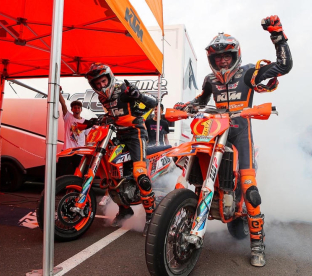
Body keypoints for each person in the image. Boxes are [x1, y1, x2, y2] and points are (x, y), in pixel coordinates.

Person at [173, 15, 293, 267]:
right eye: (217, 58)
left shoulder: (249, 71)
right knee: (189, 167)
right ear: (212, 60)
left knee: (251, 190)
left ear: (235, 54)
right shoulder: (210, 80)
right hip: (213, 132)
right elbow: (200, 102)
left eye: (226, 55)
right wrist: (187, 106)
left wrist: (277, 35)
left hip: (240, 133)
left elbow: (284, 66)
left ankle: (258, 244)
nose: (222, 60)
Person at [84, 63, 157, 235]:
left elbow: (153, 102)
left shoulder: (124, 88)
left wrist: (137, 94)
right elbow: (112, 115)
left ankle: (151, 216)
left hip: (136, 134)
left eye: (103, 81)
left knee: (141, 176)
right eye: (97, 84)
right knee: (112, 176)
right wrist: (99, 120)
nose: (101, 86)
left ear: (109, 78)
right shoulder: (102, 99)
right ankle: (125, 210)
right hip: (118, 136)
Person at [58, 91, 90, 175]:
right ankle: (60, 187)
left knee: (80, 173)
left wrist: (86, 151)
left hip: (79, 152)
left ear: (81, 109)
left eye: (78, 108)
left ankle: (78, 188)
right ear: (72, 109)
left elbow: (86, 137)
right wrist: (58, 91)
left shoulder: (85, 122)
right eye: (75, 108)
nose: (77, 109)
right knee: (60, 172)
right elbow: (63, 103)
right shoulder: (68, 117)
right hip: (68, 150)